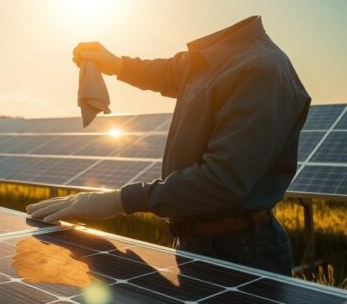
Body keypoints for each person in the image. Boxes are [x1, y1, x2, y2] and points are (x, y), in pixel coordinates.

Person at [27, 16, 310, 275]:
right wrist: (114, 64)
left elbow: (221, 182)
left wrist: (118, 200)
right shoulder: (214, 58)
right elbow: (165, 72)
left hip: (240, 250)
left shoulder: (260, 70)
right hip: (204, 242)